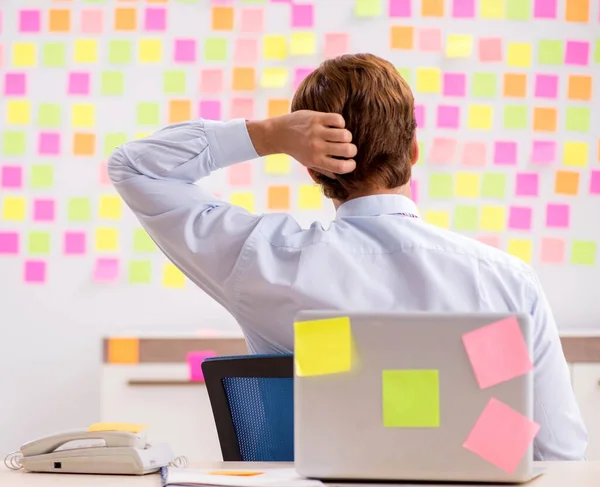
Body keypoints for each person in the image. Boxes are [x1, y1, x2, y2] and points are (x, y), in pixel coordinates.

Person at [108, 53, 587, 460]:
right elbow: (558, 452)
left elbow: (133, 166)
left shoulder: (266, 263)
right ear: (414, 150)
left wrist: (269, 135)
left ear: (313, 169)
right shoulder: (504, 281)